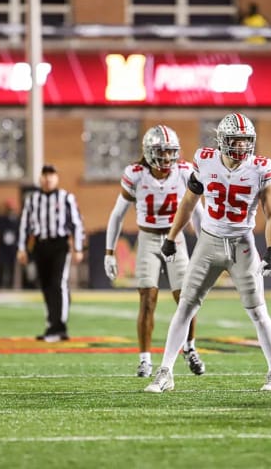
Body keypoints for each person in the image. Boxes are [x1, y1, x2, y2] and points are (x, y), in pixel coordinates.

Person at [144, 112, 271, 393]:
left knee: (258, 310)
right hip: (208, 242)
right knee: (185, 305)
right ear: (222, 140)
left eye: (246, 141)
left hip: (242, 244)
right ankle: (165, 372)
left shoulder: (261, 168)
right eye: (236, 141)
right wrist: (172, 237)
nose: (242, 147)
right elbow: (188, 202)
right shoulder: (206, 160)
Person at [103, 125, 205, 378]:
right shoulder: (136, 174)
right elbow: (117, 214)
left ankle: (190, 348)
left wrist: (204, 245)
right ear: (149, 152)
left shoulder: (184, 172)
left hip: (175, 237)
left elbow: (199, 212)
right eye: (162, 152)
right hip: (148, 238)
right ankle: (145, 359)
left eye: (171, 152)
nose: (168, 158)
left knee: (187, 299)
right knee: (147, 299)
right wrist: (109, 251)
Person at [17, 164, 85, 342]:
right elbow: (25, 225)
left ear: (57, 178)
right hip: (40, 245)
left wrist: (78, 248)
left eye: (51, 175)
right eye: (45, 175)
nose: (48, 179)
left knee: (58, 283)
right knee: (46, 285)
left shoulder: (66, 198)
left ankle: (60, 326)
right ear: (40, 178)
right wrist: (22, 248)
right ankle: (51, 325)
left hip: (59, 244)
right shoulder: (33, 200)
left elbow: (76, 224)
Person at [0, 199, 19, 289]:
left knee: (12, 266)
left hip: (13, 247)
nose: (11, 211)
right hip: (3, 247)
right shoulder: (2, 219)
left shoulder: (17, 220)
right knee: (2, 265)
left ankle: (11, 284)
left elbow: (19, 232)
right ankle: (0, 284)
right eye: (9, 209)